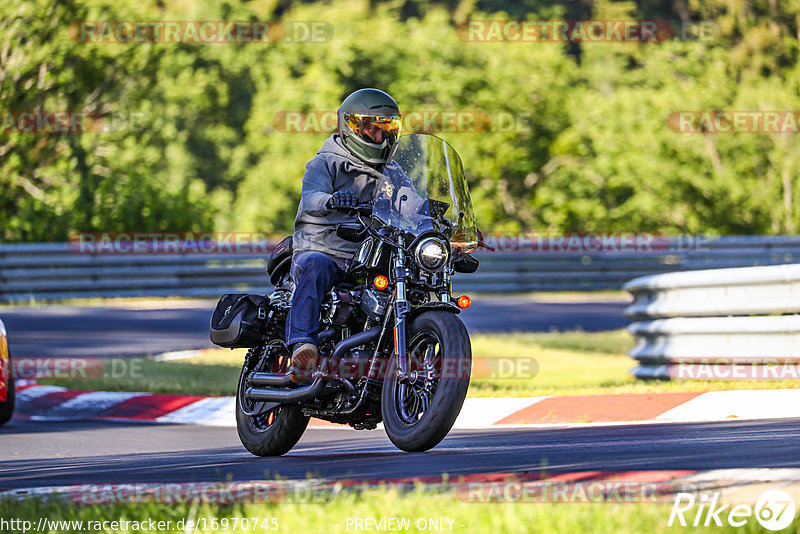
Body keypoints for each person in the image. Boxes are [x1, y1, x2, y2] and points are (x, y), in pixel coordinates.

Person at [286, 88, 403, 383]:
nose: (378, 137)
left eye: (385, 129)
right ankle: (303, 347)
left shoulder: (395, 172)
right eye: (371, 128)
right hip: (324, 248)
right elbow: (311, 197)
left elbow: (412, 202)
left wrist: (444, 223)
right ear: (351, 127)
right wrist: (332, 200)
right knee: (316, 266)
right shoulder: (325, 163)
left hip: (370, 256)